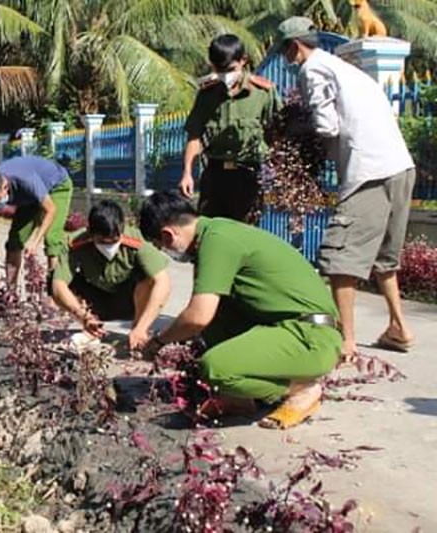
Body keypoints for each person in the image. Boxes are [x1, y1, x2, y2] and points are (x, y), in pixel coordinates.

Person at [138, 192, 342, 429]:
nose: (166, 253)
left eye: (160, 246)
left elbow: (197, 317)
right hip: (295, 330)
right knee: (218, 309)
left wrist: (157, 342)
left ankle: (300, 389)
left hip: (310, 338)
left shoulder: (218, 240)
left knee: (215, 368)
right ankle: (238, 399)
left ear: (167, 235)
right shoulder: (216, 233)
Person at [278, 17, 417, 358]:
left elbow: (327, 126)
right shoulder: (350, 70)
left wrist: (299, 132)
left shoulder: (311, 70)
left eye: (284, 51)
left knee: (341, 259)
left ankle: (346, 341)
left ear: (295, 46)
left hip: (367, 170)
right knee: (385, 258)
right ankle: (399, 327)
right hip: (400, 165)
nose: (285, 58)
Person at [180, 34, 281, 222]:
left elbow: (278, 135)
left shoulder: (263, 94)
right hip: (215, 176)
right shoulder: (207, 96)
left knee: (245, 236)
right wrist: (187, 173)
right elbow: (194, 136)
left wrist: (278, 173)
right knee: (210, 232)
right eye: (219, 70)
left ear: (243, 61)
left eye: (231, 69)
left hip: (248, 176)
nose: (225, 75)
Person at [51, 200, 172, 351]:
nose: (109, 246)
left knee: (147, 278)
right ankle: (92, 328)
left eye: (114, 241)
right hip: (95, 302)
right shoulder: (76, 243)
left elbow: (163, 281)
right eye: (102, 242)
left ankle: (138, 333)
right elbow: (58, 286)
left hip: (130, 301)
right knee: (55, 278)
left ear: (121, 230)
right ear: (90, 232)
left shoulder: (136, 240)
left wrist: (142, 326)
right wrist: (83, 316)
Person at [0, 155, 73, 286]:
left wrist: (35, 242)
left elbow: (51, 210)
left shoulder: (25, 180)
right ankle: (11, 293)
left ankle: (55, 294)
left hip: (57, 186)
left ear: (5, 186)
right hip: (29, 198)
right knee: (14, 242)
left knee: (52, 239)